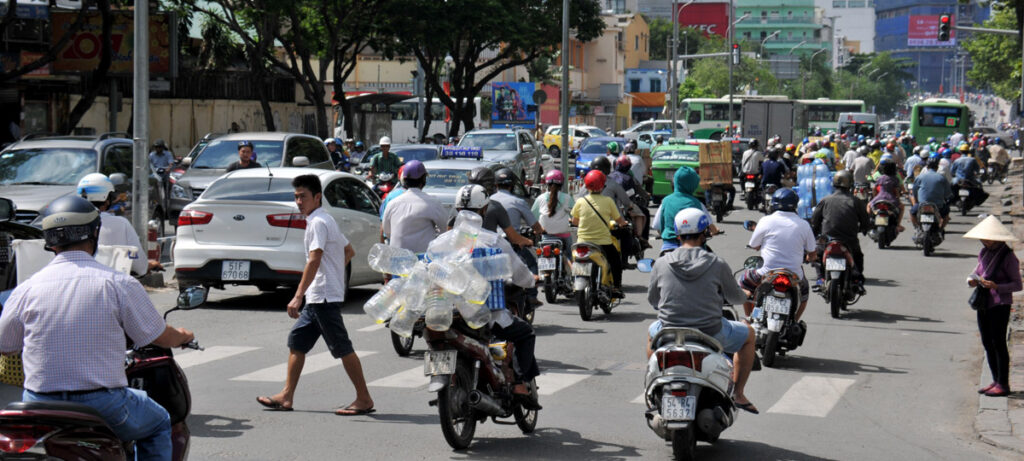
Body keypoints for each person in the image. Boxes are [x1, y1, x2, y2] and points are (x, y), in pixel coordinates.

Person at [0, 195, 194, 461]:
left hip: (38, 403)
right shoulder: (117, 283)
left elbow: (6, 345)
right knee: (160, 421)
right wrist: (182, 336)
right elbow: (158, 336)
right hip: (103, 404)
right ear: (95, 233)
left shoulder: (26, 289)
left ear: (50, 241)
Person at [257, 174, 374, 415]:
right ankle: (286, 396)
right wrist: (332, 273)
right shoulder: (324, 219)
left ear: (317, 197)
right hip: (318, 295)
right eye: (296, 197)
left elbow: (314, 259)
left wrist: (298, 295)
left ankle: (364, 398)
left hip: (323, 297)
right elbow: (348, 251)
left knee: (342, 347)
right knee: (297, 342)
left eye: (303, 197)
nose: (299, 202)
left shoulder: (319, 222)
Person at [646, 208, 758, 414]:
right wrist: (745, 294)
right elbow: (735, 298)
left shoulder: (661, 263)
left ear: (677, 235)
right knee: (749, 335)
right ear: (705, 233)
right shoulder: (717, 263)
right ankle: (738, 393)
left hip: (669, 331)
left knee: (651, 333)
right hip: (711, 332)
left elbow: (653, 300)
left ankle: (655, 384)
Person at [452, 184, 541, 409]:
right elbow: (519, 273)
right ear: (484, 210)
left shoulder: (442, 241)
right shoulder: (493, 241)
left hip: (452, 314)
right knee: (526, 333)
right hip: (485, 315)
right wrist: (531, 281)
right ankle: (519, 383)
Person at [964, 216, 1022, 397]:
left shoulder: (1009, 257)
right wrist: (972, 280)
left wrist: (997, 287)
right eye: (984, 239)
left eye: (989, 239)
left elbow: (1018, 285)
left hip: (1000, 304)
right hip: (984, 303)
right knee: (987, 342)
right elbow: (977, 272)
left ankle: (1003, 383)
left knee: (999, 343)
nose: (986, 241)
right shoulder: (984, 253)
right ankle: (995, 380)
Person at [739, 188, 816, 323]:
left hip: (765, 273)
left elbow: (754, 245)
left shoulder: (765, 221)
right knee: (804, 296)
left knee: (743, 282)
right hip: (794, 276)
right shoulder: (804, 225)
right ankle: (794, 322)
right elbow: (812, 252)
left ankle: (749, 318)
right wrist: (810, 258)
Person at [76, 173, 159, 276]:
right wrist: (148, 265)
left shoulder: (70, 223)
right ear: (107, 200)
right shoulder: (121, 224)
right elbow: (140, 267)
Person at [811, 170, 870, 293]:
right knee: (858, 256)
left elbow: (815, 221)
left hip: (827, 240)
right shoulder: (856, 201)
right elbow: (865, 220)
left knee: (818, 256)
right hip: (849, 240)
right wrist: (865, 228)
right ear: (850, 184)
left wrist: (815, 234)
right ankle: (857, 281)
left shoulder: (825, 200)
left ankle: (820, 278)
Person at [572, 170, 628, 299]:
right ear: (602, 186)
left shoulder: (580, 201)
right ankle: (616, 287)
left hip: (583, 242)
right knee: (615, 261)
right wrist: (624, 224)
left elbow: (574, 221)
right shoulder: (608, 201)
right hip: (603, 243)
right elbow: (619, 220)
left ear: (586, 186)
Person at [492, 167, 543, 307]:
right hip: (511, 243)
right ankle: (532, 296)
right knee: (532, 263)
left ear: (495, 184)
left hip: (490, 244)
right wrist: (540, 231)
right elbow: (535, 225)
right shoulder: (517, 201)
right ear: (512, 185)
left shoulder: (488, 201)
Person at [381, 161, 447, 254]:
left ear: (404, 180)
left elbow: (387, 231)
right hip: (422, 259)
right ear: (424, 180)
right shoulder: (433, 202)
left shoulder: (392, 203)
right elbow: (445, 230)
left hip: (397, 258)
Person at [652, 166, 717, 255]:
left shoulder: (666, 201)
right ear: (693, 184)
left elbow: (657, 226)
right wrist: (715, 231)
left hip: (669, 247)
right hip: (694, 249)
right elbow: (710, 227)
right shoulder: (697, 203)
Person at [465, 166, 532, 246]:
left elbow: (452, 230)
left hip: (462, 249)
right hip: (487, 250)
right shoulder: (495, 206)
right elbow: (514, 238)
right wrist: (528, 241)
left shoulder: (461, 203)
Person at [531, 169, 574, 270]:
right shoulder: (567, 198)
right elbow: (574, 215)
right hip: (563, 235)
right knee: (570, 255)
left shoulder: (540, 198)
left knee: (542, 255)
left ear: (547, 184)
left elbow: (533, 216)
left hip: (546, 235)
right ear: (562, 184)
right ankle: (574, 273)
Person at [910, 157, 953, 234]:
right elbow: (948, 194)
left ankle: (917, 228)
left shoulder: (920, 177)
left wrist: (916, 201)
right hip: (938, 206)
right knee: (946, 216)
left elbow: (914, 191)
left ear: (927, 167)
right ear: (937, 167)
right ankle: (941, 229)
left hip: (922, 204)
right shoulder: (941, 178)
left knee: (912, 213)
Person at [868, 159, 906, 233]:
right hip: (891, 199)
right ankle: (898, 224)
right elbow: (896, 191)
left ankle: (868, 222)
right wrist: (898, 199)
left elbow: (874, 189)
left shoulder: (880, 178)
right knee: (902, 207)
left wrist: (875, 197)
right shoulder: (895, 179)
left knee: (869, 205)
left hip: (879, 197)